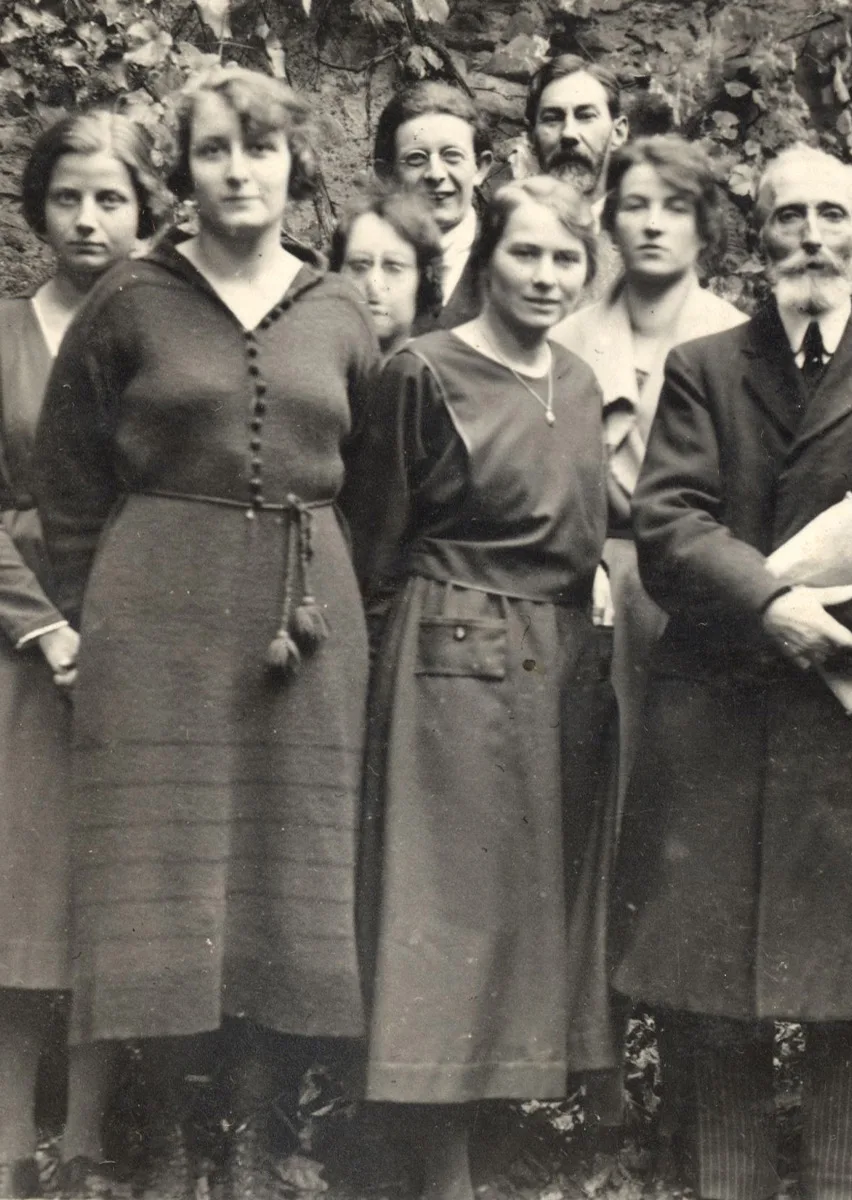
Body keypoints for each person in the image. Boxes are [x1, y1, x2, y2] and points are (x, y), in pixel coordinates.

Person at [611, 144, 852, 1200]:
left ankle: (843, 1183)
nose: (811, 237)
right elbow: (668, 522)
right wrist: (768, 603)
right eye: (789, 218)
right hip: (727, 704)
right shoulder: (705, 367)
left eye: (833, 217)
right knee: (714, 981)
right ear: (758, 239)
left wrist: (840, 618)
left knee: (851, 987)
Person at [35, 65, 378, 1199]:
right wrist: (102, 615)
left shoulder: (338, 308)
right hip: (155, 628)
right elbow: (70, 475)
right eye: (219, 150)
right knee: (164, 871)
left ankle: (250, 1138)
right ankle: (173, 1143)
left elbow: (374, 481)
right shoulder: (130, 299)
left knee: (287, 874)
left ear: (294, 166)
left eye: (262, 150)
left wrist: (330, 590)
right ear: (182, 171)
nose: (242, 171)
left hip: (303, 625)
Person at [344, 175, 613, 1200]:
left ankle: (497, 1139)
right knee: (445, 910)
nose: (546, 277)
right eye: (525, 254)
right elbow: (377, 547)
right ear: (485, 259)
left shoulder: (581, 381)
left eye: (564, 258)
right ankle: (439, 1166)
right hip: (444, 663)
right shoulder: (423, 371)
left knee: (524, 911)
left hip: (556, 665)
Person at [0, 109, 164, 1200]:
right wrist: (45, 627)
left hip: (141, 635)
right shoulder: (5, 333)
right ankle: (11, 1138)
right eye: (69, 197)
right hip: (18, 647)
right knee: (21, 894)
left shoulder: (164, 336)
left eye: (111, 198)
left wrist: (123, 630)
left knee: (116, 892)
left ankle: (91, 1140)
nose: (89, 219)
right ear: (37, 209)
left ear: (148, 212)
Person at [552, 134, 747, 816]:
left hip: (690, 592)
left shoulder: (738, 342)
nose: (655, 223)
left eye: (675, 207)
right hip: (585, 586)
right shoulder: (566, 341)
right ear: (610, 222)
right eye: (635, 205)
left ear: (705, 226)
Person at [373, 80, 491, 329]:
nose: (436, 174)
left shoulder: (504, 261)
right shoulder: (362, 267)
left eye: (452, 156)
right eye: (416, 159)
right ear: (387, 174)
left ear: (480, 168)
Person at [526, 55, 628, 294]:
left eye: (585, 116)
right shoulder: (502, 242)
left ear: (618, 133)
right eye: (552, 119)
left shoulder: (644, 244)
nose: (568, 133)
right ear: (532, 138)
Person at [329, 181, 444, 355]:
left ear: (423, 279)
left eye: (393, 267)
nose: (374, 283)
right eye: (359, 266)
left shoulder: (436, 375)